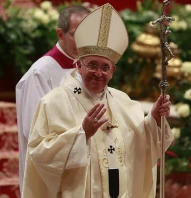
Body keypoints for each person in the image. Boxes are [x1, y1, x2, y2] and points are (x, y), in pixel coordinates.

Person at [22, 3, 173, 198]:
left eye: (105, 67)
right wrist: (81, 135)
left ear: (113, 71)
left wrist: (154, 119)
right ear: (79, 65)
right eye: (92, 65)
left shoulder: (123, 102)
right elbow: (39, 154)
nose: (98, 73)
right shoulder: (53, 103)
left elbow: (141, 145)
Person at [15, 5, 90, 191]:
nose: (83, 41)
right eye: (76, 34)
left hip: (82, 168)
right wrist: (79, 135)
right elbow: (33, 131)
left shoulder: (89, 69)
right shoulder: (40, 73)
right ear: (60, 34)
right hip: (49, 172)